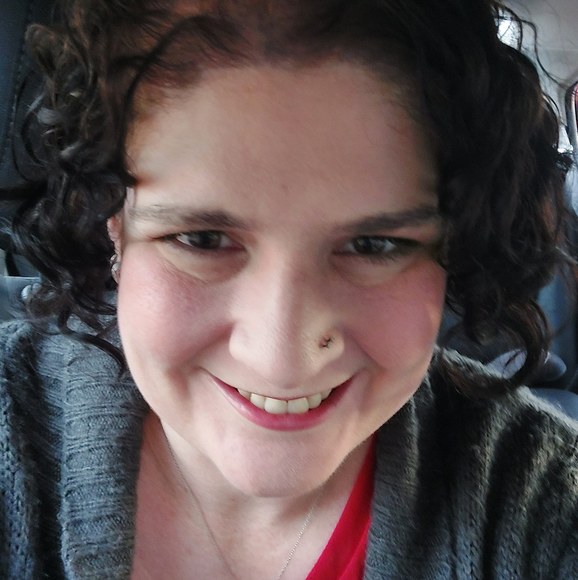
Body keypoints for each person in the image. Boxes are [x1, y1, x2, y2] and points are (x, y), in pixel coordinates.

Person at [1, 0, 577, 577]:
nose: (280, 358)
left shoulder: (540, 500)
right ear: (115, 230)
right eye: (202, 239)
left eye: (373, 245)